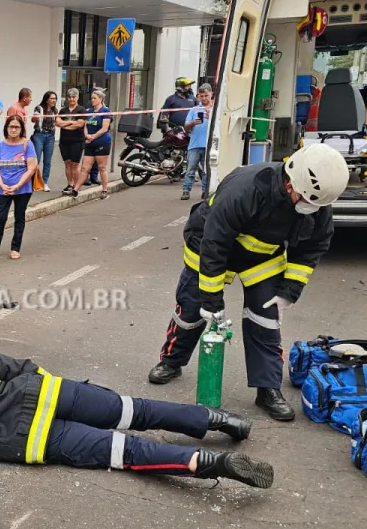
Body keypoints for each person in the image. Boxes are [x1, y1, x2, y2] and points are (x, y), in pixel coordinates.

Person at [0, 348, 272, 489]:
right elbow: (17, 364)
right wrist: (50, 388)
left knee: (124, 451)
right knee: (134, 410)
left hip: (34, 440)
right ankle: (222, 421)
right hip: (49, 395)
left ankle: (213, 465)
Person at [148, 144, 350, 422]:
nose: (310, 208)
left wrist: (290, 290)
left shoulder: (317, 203)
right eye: (306, 199)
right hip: (208, 245)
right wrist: (212, 298)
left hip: (261, 258)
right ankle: (171, 361)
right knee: (192, 310)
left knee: (265, 320)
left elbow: (314, 247)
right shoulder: (246, 189)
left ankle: (267, 388)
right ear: (291, 183)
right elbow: (215, 243)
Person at [0, 115, 37, 261]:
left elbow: (31, 168)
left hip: (22, 189)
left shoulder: (28, 145)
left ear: (21, 129)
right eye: (11, 126)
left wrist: (17, 185)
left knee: (19, 217)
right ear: (6, 128)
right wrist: (2, 185)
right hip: (3, 188)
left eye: (17, 127)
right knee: (0, 218)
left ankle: (15, 248)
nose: (13, 129)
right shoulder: (1, 146)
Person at [69, 88, 111, 200]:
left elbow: (104, 128)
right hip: (89, 142)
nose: (92, 100)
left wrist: (93, 136)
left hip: (102, 141)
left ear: (101, 99)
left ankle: (104, 190)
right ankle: (75, 190)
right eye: (91, 98)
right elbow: (86, 125)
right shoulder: (89, 111)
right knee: (85, 168)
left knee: (102, 167)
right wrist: (87, 135)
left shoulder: (105, 110)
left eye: (94, 98)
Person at [182, 84, 212, 201]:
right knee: (190, 170)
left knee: (206, 171)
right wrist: (193, 123)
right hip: (194, 144)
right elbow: (186, 127)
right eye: (201, 96)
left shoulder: (215, 109)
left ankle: (205, 191)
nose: (204, 98)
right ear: (198, 97)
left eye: (206, 95)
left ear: (211, 95)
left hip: (209, 145)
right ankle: (186, 191)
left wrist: (211, 117)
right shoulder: (194, 110)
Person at [56, 87, 85, 195]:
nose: (71, 99)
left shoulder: (81, 110)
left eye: (74, 97)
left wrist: (65, 124)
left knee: (75, 165)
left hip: (77, 141)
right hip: (64, 141)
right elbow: (58, 123)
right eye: (69, 97)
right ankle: (70, 184)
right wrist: (71, 123)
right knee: (67, 164)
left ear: (77, 97)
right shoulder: (63, 110)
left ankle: (76, 187)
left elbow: (80, 124)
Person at [31, 90, 58, 192]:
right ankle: (33, 181)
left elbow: (58, 121)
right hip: (39, 135)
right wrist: (35, 117)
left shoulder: (55, 111)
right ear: (47, 99)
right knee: (36, 159)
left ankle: (44, 182)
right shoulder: (39, 108)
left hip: (50, 137)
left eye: (55, 99)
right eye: (52, 98)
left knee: (47, 161)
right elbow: (33, 119)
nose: (54, 100)